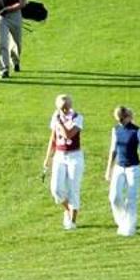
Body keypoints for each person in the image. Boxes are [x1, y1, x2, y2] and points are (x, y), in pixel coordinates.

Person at [105, 105, 140, 237]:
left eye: (121, 119)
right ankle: (121, 221)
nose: (119, 121)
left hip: (133, 168)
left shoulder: (137, 131)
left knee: (131, 198)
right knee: (114, 197)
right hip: (119, 167)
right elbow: (113, 150)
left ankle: (129, 227)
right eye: (117, 119)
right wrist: (109, 169)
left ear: (127, 117)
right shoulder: (115, 130)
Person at [42, 94, 84, 230]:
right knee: (56, 189)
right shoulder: (55, 117)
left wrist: (60, 123)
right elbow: (53, 138)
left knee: (73, 187)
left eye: (66, 108)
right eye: (62, 108)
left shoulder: (77, 117)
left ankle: (73, 220)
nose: (64, 111)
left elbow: (69, 134)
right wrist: (48, 157)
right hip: (60, 155)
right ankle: (67, 209)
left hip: (74, 156)